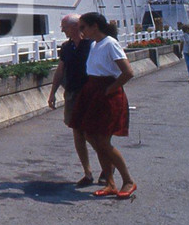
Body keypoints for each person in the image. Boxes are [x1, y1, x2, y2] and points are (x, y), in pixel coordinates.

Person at [69, 12, 137, 200]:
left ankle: (128, 180)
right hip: (93, 91)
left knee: (103, 141)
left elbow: (128, 72)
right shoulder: (95, 45)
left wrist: (110, 89)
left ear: (94, 26)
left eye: (83, 27)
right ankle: (110, 183)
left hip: (106, 93)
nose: (80, 31)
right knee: (91, 135)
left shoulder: (110, 44)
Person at [47, 13, 101, 186]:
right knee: (77, 133)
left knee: (93, 133)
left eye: (64, 26)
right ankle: (88, 172)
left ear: (75, 27)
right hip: (72, 94)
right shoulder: (66, 47)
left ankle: (109, 167)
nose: (62, 29)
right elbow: (60, 71)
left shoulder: (92, 45)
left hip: (90, 94)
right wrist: (52, 93)